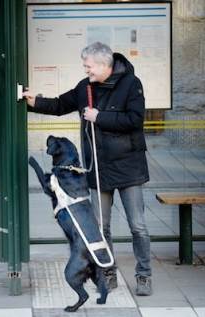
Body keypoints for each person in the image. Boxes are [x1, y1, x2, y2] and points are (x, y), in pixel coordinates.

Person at [23, 42, 152, 296]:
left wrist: (99, 117)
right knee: (101, 228)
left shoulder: (131, 84)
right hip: (99, 168)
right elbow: (61, 104)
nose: (86, 70)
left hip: (128, 168)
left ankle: (144, 275)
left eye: (88, 66)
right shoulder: (86, 88)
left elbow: (135, 119)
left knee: (137, 226)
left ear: (104, 65)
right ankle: (108, 270)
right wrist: (34, 101)